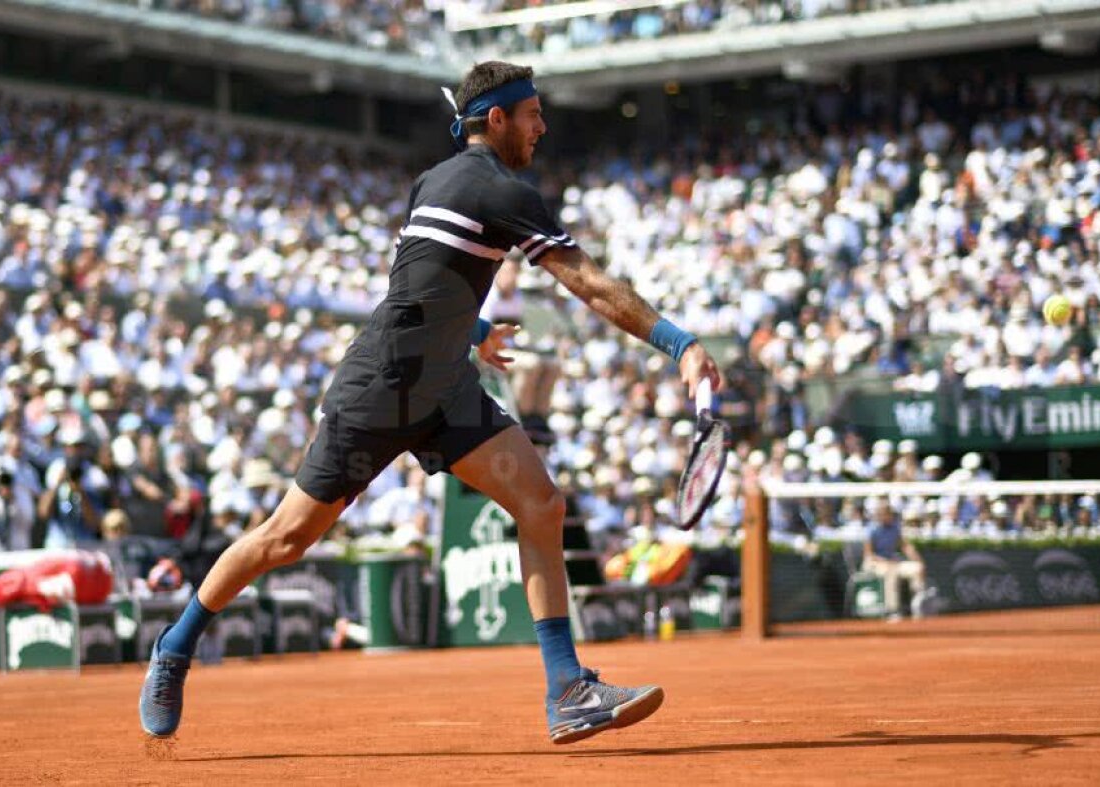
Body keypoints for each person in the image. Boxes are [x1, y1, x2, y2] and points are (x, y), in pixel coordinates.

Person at [139, 60, 722, 745]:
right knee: (286, 537)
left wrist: (473, 332)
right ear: (497, 119)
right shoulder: (499, 188)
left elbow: (419, 281)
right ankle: (174, 647)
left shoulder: (439, 182)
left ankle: (566, 688)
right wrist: (679, 343)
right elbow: (588, 284)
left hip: (444, 387)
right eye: (533, 113)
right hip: (381, 387)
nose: (543, 125)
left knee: (541, 503)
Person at [861, 499, 927, 622]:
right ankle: (892, 610)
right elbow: (869, 554)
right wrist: (885, 562)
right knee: (891, 572)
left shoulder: (895, 528)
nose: (890, 516)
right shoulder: (871, 530)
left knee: (917, 568)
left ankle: (918, 600)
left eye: (891, 514)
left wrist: (917, 559)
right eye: (887, 514)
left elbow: (905, 546)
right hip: (874, 563)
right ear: (880, 515)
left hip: (892, 562)